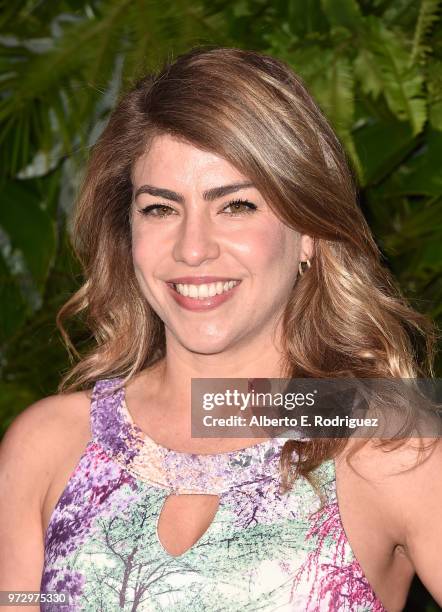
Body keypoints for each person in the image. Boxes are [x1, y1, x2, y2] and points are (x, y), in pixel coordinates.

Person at [0, 45, 441, 612]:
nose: (192, 248)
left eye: (235, 206)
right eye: (160, 208)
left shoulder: (384, 442)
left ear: (309, 231)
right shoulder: (48, 444)